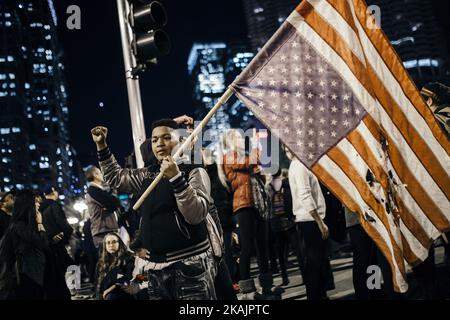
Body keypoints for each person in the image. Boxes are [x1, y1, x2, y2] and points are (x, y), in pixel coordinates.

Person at [91, 118, 217, 300]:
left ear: (181, 140)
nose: (159, 144)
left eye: (166, 138)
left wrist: (176, 179)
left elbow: (195, 214)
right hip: (156, 269)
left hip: (190, 267)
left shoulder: (194, 171)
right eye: (155, 139)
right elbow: (116, 178)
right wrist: (102, 146)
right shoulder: (148, 173)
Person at [222, 129, 278, 300]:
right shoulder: (229, 156)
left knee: (263, 246)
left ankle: (267, 285)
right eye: (238, 137)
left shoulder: (245, 156)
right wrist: (255, 144)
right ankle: (247, 290)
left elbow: (259, 168)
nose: (241, 140)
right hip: (243, 205)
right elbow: (251, 162)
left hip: (258, 204)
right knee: (247, 247)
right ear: (230, 141)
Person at [285, 147, 330, 300]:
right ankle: (316, 296)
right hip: (310, 219)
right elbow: (305, 195)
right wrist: (320, 222)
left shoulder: (296, 166)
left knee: (315, 260)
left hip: (307, 219)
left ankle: (319, 295)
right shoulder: (299, 166)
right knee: (314, 261)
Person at [0, 190, 48, 300]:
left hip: (31, 274)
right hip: (27, 275)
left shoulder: (23, 225)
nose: (38, 204)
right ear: (27, 206)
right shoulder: (19, 226)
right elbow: (42, 242)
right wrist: (40, 223)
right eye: (34, 202)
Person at [266, 168, 304, 286]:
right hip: (288, 220)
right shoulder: (286, 184)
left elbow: (268, 205)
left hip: (276, 223)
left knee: (281, 253)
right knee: (298, 251)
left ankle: (284, 277)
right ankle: (304, 274)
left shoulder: (268, 187)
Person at [40, 185, 73, 300]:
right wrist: (67, 235)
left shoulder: (40, 208)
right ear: (53, 192)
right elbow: (64, 226)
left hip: (47, 246)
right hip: (58, 246)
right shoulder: (54, 205)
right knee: (64, 274)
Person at [85, 165, 121, 249]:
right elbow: (115, 204)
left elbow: (113, 205)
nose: (102, 175)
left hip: (105, 230)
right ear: (95, 175)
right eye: (100, 172)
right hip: (103, 231)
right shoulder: (93, 190)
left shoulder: (98, 190)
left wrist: (109, 207)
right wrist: (111, 204)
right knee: (107, 259)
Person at [96, 233, 135, 300]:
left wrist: (113, 287)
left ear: (119, 243)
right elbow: (98, 284)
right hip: (106, 293)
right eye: (108, 243)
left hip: (124, 290)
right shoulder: (101, 262)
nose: (111, 245)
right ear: (105, 245)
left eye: (114, 242)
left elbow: (129, 279)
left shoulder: (128, 258)